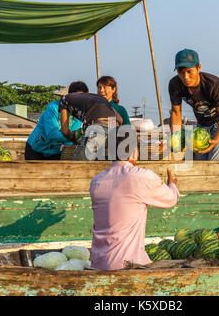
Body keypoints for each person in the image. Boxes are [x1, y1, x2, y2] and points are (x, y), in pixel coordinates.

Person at [89, 135, 180, 270]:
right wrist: (172, 185)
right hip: (128, 265)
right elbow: (170, 199)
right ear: (133, 152)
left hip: (98, 263)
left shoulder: (96, 181)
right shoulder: (141, 176)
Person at [168, 49, 219, 161]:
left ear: (198, 68)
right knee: (198, 163)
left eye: (189, 71)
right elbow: (176, 112)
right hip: (202, 124)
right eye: (181, 72)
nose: (185, 77)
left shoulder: (214, 85)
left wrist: (216, 140)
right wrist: (176, 139)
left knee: (214, 163)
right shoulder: (175, 85)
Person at [24, 81, 88, 160]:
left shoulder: (80, 113)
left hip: (57, 151)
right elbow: (52, 134)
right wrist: (74, 138)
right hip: (36, 148)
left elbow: (75, 132)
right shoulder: (53, 108)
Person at [59, 91, 124, 161]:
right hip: (113, 128)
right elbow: (120, 119)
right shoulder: (100, 98)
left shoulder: (64, 99)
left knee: (78, 162)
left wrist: (74, 139)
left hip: (97, 127)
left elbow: (65, 131)